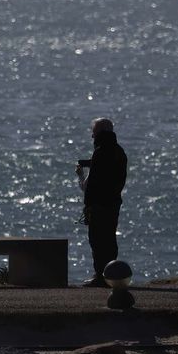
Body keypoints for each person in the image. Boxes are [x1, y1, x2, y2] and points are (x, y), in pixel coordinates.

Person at [77, 117, 128, 287]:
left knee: (97, 240)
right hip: (113, 203)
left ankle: (100, 276)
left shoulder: (99, 152)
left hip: (99, 204)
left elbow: (91, 185)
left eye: (93, 134)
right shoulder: (119, 152)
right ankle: (111, 274)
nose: (92, 138)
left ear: (98, 133)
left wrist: (82, 177)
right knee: (109, 240)